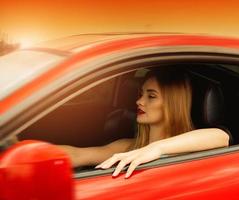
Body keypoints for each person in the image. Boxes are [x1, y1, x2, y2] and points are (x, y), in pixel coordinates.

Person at [60, 69, 230, 178]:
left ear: (172, 104)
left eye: (151, 96)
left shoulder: (190, 146)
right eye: (140, 94)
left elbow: (221, 137)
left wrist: (157, 149)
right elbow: (77, 155)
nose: (139, 101)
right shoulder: (129, 147)